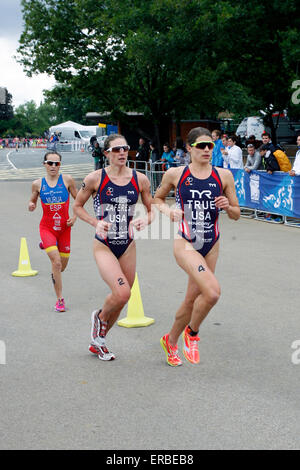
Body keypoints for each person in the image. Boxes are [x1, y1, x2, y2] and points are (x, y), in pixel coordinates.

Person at [154, 127, 240, 367]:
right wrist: (168, 211)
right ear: (190, 148)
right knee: (212, 292)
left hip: (211, 244)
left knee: (192, 298)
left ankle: (170, 341)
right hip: (186, 242)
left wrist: (227, 206)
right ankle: (191, 334)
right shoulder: (175, 173)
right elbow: (157, 199)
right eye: (201, 146)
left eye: (210, 146)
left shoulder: (223, 176)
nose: (206, 150)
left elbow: (236, 214)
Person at [73, 133, 154, 361]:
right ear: (106, 153)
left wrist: (145, 220)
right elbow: (77, 207)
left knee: (123, 298)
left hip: (127, 245)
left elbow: (151, 210)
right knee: (122, 292)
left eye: (124, 149)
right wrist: (95, 222)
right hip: (104, 245)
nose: (121, 153)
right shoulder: (94, 179)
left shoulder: (141, 179)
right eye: (116, 150)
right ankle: (99, 317)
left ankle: (99, 340)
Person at [28, 151, 78, 312]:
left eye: (57, 163)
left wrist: (75, 217)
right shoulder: (37, 184)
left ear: (60, 165)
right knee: (56, 263)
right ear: (44, 164)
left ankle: (47, 246)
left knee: (61, 267)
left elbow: (79, 201)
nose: (53, 166)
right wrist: (31, 205)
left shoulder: (67, 180)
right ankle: (60, 300)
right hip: (47, 228)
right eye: (50, 163)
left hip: (64, 229)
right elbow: (32, 199)